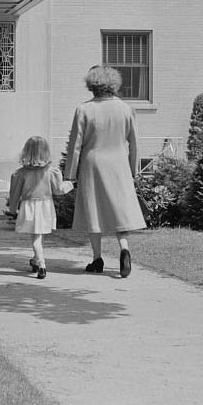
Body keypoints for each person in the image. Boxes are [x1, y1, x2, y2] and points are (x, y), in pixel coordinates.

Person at [64, 65, 146, 278]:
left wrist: (70, 175)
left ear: (92, 86)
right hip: (118, 164)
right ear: (114, 85)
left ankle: (97, 258)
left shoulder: (84, 110)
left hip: (93, 163)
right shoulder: (126, 109)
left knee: (94, 210)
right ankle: (124, 248)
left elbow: (75, 145)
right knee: (119, 209)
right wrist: (134, 170)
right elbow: (135, 143)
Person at [8, 135, 73, 280]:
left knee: (36, 237)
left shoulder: (21, 173)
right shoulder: (50, 171)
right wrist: (70, 184)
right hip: (45, 205)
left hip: (29, 206)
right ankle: (38, 260)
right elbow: (58, 190)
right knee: (40, 234)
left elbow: (15, 193)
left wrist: (13, 208)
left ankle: (40, 262)